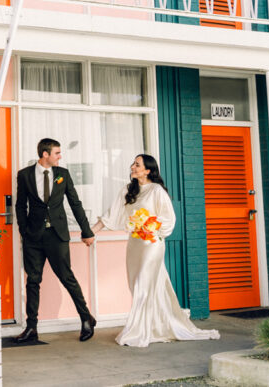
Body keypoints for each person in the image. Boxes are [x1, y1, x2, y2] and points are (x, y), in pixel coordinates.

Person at [96, 153, 220, 347]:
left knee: (142, 285)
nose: (133, 167)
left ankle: (138, 332)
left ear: (148, 170)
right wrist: (91, 232)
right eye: (133, 163)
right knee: (139, 285)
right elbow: (111, 214)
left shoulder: (156, 191)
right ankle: (155, 325)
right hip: (135, 244)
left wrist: (149, 225)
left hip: (152, 244)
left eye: (137, 165)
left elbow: (168, 218)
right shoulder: (128, 190)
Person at [13, 138, 97, 343]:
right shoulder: (24, 175)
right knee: (32, 281)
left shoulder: (63, 175)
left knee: (67, 277)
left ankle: (86, 318)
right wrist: (24, 231)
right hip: (33, 237)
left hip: (57, 236)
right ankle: (31, 327)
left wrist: (87, 231)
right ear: (45, 154)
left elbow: (75, 204)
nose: (60, 156)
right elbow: (20, 205)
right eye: (57, 153)